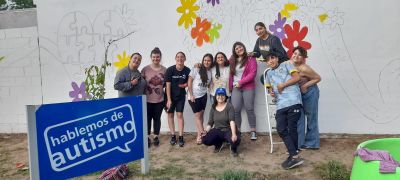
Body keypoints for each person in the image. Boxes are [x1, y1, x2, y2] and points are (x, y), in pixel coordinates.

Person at [264, 51, 304, 169]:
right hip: (281, 104)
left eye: (272, 58)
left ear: (277, 58)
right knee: (281, 129)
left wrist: (283, 85)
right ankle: (294, 155)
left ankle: (293, 156)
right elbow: (270, 89)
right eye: (268, 60)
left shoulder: (287, 64)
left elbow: (297, 77)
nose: (270, 61)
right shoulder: (268, 74)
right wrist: (271, 92)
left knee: (292, 129)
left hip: (293, 101)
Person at [290, 46, 321, 149]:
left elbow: (318, 78)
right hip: (297, 94)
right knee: (298, 117)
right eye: (295, 53)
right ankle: (299, 143)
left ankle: (312, 143)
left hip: (310, 92)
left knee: (311, 117)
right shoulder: (287, 64)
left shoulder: (304, 68)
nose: (296, 56)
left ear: (303, 58)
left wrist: (305, 85)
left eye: (299, 55)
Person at [229, 42, 258, 140]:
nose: (239, 49)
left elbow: (253, 73)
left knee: (249, 108)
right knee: (235, 110)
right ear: (234, 51)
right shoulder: (232, 60)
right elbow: (229, 73)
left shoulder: (251, 58)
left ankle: (253, 131)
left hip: (248, 87)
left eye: (240, 47)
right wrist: (230, 88)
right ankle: (237, 131)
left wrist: (241, 82)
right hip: (236, 88)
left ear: (243, 47)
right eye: (236, 48)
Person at [202, 88, 240, 157]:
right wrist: (205, 131)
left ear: (225, 97)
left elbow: (232, 121)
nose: (220, 97)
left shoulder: (229, 106)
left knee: (235, 140)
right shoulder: (213, 107)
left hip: (228, 130)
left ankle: (233, 149)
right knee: (205, 139)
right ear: (215, 96)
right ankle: (218, 144)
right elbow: (210, 123)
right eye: (218, 95)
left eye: (223, 95)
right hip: (218, 130)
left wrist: (234, 134)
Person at [141, 47, 167, 147]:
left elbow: (166, 85)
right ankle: (147, 137)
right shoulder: (145, 69)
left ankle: (156, 136)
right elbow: (140, 84)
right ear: (151, 57)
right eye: (154, 57)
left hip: (159, 99)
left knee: (157, 118)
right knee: (147, 118)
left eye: (157, 57)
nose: (155, 59)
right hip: (147, 99)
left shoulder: (164, 70)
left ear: (160, 57)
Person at [165, 51, 191, 147]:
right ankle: (173, 136)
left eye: (182, 57)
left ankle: (180, 136)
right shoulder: (170, 70)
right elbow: (167, 85)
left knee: (180, 115)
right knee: (170, 114)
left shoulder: (188, 70)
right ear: (175, 59)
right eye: (178, 57)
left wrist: (186, 84)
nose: (180, 58)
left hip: (180, 96)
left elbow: (191, 81)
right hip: (170, 96)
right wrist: (168, 99)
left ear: (184, 59)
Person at [188, 53, 212, 144]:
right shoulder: (196, 69)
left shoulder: (210, 72)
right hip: (194, 96)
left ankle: (199, 135)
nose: (206, 62)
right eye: (205, 60)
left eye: (209, 60)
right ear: (202, 61)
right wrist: (191, 94)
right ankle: (203, 134)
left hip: (203, 96)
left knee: (201, 115)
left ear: (211, 62)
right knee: (197, 116)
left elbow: (209, 85)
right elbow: (189, 81)